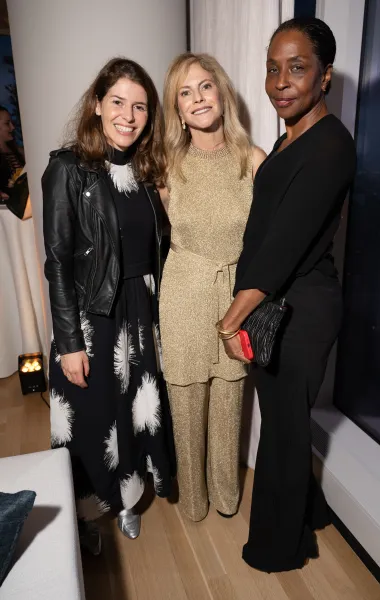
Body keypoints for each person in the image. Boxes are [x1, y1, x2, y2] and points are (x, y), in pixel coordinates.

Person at [220, 17, 356, 572]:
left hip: (299, 309)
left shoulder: (331, 145)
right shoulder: (291, 134)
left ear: (324, 77)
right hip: (276, 301)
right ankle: (311, 512)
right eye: (274, 68)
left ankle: (277, 550)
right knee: (286, 423)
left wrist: (229, 323)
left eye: (297, 68)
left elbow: (284, 245)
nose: (281, 81)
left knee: (280, 431)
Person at [42, 58, 175, 555]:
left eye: (139, 106)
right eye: (117, 102)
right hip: (91, 317)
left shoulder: (146, 170)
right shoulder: (68, 168)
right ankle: (80, 514)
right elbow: (57, 262)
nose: (128, 114)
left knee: (132, 412)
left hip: (139, 310)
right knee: (92, 417)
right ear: (97, 105)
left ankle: (126, 500)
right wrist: (70, 344)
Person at [159, 52, 266, 522]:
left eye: (205, 86)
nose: (198, 98)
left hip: (234, 294)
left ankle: (226, 495)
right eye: (186, 92)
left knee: (229, 397)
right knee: (186, 398)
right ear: (178, 110)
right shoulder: (165, 166)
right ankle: (194, 499)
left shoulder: (254, 160)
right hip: (183, 291)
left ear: (222, 94)